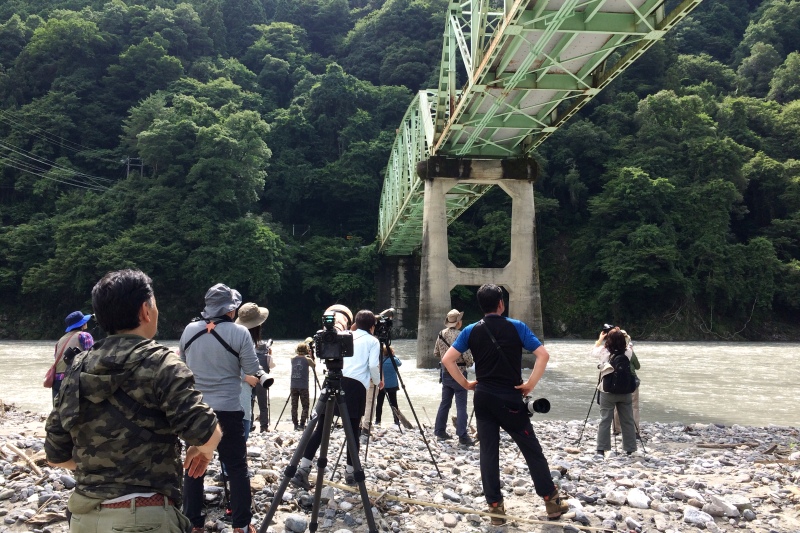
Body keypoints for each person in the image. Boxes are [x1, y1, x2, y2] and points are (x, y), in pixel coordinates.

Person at [45, 269, 221, 533]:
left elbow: (56, 455)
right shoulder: (163, 362)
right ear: (145, 311)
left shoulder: (77, 366)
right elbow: (207, 433)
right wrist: (203, 452)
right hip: (144, 517)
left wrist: (101, 464)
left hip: (85, 518)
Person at [441, 284, 569, 523]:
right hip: (510, 398)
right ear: (501, 303)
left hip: (484, 398)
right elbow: (543, 355)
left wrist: (467, 384)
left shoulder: (470, 330)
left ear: (481, 305)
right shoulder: (516, 326)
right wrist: (530, 384)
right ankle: (552, 502)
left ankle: (496, 510)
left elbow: (448, 360)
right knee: (531, 449)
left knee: (488, 453)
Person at [180, 284, 271, 533]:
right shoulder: (240, 333)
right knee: (237, 468)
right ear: (231, 310)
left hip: (196, 409)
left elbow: (181, 368)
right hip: (229, 411)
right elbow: (252, 369)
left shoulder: (189, 330)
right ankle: (241, 525)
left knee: (195, 464)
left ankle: (193, 523)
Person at [291, 307, 382, 489]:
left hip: (334, 380)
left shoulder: (345, 335)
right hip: (356, 387)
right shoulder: (373, 341)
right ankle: (351, 473)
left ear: (355, 323)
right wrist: (378, 381)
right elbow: (373, 366)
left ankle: (303, 469)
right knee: (353, 431)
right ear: (372, 327)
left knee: (320, 429)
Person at [592, 327, 637, 455]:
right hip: (625, 391)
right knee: (627, 419)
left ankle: (601, 449)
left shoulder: (603, 352)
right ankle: (630, 448)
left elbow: (593, 351)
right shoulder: (627, 352)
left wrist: (600, 339)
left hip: (608, 391)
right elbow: (630, 345)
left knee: (605, 419)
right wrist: (624, 335)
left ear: (609, 340)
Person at [433, 309, 474, 445]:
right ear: (458, 323)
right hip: (460, 372)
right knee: (461, 405)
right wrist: (469, 363)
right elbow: (468, 357)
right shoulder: (461, 335)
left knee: (445, 403)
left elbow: (436, 353)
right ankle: (462, 435)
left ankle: (440, 431)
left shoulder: (441, 334)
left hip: (445, 373)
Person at [236, 302, 273, 433]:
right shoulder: (245, 340)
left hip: (236, 397)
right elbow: (227, 366)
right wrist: (246, 377)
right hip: (239, 397)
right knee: (241, 435)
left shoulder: (237, 337)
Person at [52, 311, 95, 402]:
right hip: (73, 380)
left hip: (56, 381)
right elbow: (91, 358)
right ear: (83, 324)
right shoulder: (85, 335)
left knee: (59, 411)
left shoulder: (60, 340)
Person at [289, 342, 316, 430]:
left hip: (293, 385)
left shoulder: (292, 359)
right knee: (305, 405)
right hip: (303, 386)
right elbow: (314, 365)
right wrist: (311, 356)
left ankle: (295, 424)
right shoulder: (307, 360)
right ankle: (302, 424)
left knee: (294, 406)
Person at [375, 345, 401, 427]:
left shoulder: (380, 360)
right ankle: (396, 421)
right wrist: (393, 355)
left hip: (382, 384)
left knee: (379, 403)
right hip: (392, 385)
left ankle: (377, 420)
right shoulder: (393, 360)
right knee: (394, 403)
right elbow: (400, 363)